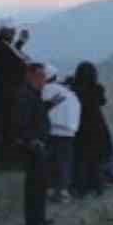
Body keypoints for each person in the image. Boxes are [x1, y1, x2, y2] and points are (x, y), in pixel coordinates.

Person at [15, 62, 52, 225]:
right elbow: (23, 121)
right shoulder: (25, 95)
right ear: (30, 75)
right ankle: (34, 221)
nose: (43, 80)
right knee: (34, 186)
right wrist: (32, 140)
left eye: (44, 77)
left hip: (39, 143)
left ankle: (40, 218)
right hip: (34, 146)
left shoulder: (34, 94)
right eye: (40, 76)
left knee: (41, 184)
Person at [68, 61, 112, 197]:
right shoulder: (97, 89)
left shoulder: (74, 89)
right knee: (96, 159)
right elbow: (103, 101)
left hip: (79, 126)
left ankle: (80, 189)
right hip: (97, 126)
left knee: (81, 159)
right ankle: (98, 187)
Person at [0, 23, 31, 159]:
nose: (13, 33)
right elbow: (16, 58)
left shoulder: (1, 45)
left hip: (9, 87)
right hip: (9, 88)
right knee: (10, 122)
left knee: (10, 122)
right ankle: (8, 154)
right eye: (12, 31)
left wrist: (21, 42)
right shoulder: (1, 46)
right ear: (5, 32)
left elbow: (14, 52)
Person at [42, 65, 80, 202]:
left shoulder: (44, 90)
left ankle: (49, 188)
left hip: (50, 130)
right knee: (64, 161)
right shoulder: (67, 92)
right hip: (68, 131)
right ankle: (63, 190)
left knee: (49, 159)